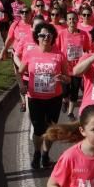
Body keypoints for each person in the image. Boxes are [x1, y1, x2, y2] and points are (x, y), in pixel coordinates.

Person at [18, 22, 71, 170]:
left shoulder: (59, 55)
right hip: (35, 98)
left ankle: (45, 154)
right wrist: (21, 86)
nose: (46, 37)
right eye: (42, 35)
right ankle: (36, 153)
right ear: (37, 37)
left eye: (49, 35)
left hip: (54, 99)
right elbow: (19, 72)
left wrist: (63, 79)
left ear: (53, 37)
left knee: (50, 129)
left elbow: (68, 78)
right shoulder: (30, 53)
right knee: (38, 128)